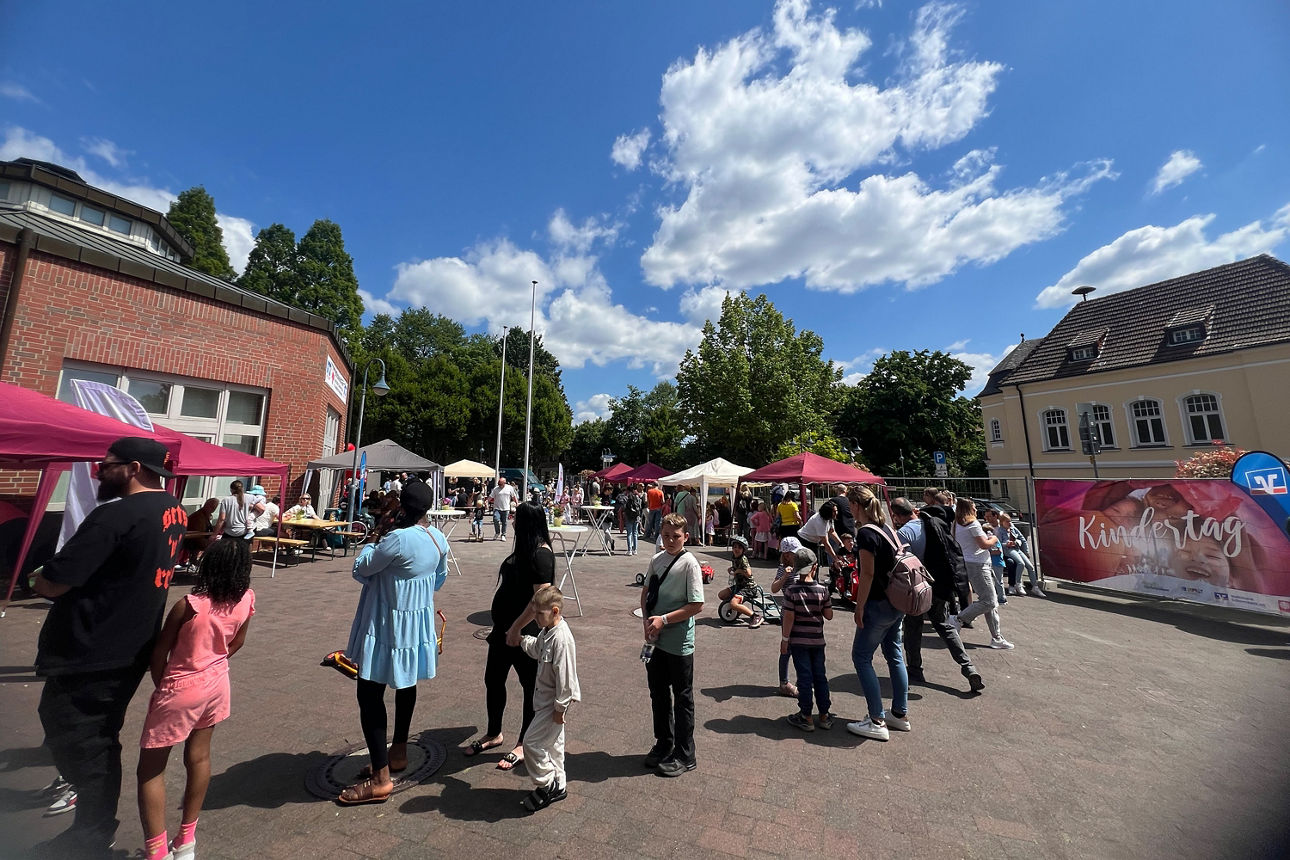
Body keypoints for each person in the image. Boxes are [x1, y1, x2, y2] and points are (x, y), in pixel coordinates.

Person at [33, 436, 188, 858]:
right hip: (132, 642)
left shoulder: (114, 516)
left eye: (107, 464)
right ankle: (93, 822)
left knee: (83, 737)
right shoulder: (175, 511)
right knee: (96, 734)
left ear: (134, 467)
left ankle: (93, 830)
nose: (98, 470)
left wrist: (35, 578)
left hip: (94, 647)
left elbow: (54, 581)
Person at [135, 538, 255, 860]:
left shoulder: (188, 605)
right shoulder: (246, 599)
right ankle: (186, 841)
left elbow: (159, 653)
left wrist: (163, 686)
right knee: (199, 758)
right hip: (217, 683)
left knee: (150, 769)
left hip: (180, 687)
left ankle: (157, 851)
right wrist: (214, 659)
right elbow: (237, 641)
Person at [338, 481, 448, 804]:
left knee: (369, 693)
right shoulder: (437, 538)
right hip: (416, 624)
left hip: (387, 624)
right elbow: (438, 579)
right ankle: (397, 751)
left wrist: (374, 538)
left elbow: (360, 569)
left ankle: (381, 778)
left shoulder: (396, 540)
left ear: (402, 506)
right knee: (406, 684)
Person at [467, 503, 555, 771]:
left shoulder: (541, 554)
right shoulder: (523, 549)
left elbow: (540, 599)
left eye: (518, 517)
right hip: (502, 631)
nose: (513, 520)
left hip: (523, 632)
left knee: (530, 686)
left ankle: (523, 743)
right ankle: (494, 733)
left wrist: (517, 628)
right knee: (493, 680)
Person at [890, 498, 984, 692]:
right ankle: (968, 667)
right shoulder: (935, 523)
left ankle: (915, 670)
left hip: (918, 588)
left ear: (897, 516)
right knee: (944, 627)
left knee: (913, 629)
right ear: (914, 510)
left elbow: (901, 563)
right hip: (941, 586)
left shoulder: (904, 533)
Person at [845, 486, 911, 742]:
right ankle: (899, 714)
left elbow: (867, 573)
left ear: (857, 505)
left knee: (861, 657)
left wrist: (859, 606)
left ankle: (876, 719)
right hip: (897, 601)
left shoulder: (865, 534)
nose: (849, 510)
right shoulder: (888, 529)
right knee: (894, 655)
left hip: (878, 604)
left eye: (850, 505)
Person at [640, 514, 704, 777]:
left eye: (676, 536)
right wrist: (647, 624)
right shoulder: (656, 559)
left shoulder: (690, 564)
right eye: (666, 535)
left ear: (685, 537)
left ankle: (685, 753)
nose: (670, 540)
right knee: (658, 693)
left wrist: (663, 620)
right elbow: (645, 594)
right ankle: (664, 742)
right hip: (656, 640)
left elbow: (697, 605)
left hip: (679, 641)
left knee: (682, 697)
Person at [518, 587, 580, 813]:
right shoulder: (547, 631)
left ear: (555, 611)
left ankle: (547, 782)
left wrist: (560, 709)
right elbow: (537, 649)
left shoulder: (562, 639)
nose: (535, 618)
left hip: (553, 703)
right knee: (554, 744)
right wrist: (523, 640)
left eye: (539, 614)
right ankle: (559, 785)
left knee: (531, 743)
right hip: (544, 700)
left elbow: (566, 679)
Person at [949, 498, 1014, 650]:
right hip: (979, 565)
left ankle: (996, 636)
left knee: (989, 602)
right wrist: (994, 538)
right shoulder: (973, 524)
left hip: (970, 563)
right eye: (974, 507)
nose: (976, 510)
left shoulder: (956, 524)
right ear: (968, 509)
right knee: (989, 601)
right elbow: (984, 545)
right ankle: (958, 618)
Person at [782, 546, 834, 731]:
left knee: (804, 678)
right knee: (820, 677)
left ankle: (806, 716)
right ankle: (824, 715)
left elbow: (789, 618)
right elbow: (828, 615)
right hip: (818, 642)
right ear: (815, 567)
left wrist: (784, 639)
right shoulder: (822, 590)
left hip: (798, 642)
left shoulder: (792, 591)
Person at [769, 536, 805, 696]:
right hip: (788, 612)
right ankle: (783, 682)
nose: (796, 555)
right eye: (793, 553)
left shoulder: (802, 565)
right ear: (786, 554)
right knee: (787, 647)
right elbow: (774, 589)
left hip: (802, 612)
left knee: (801, 647)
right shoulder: (783, 568)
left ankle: (801, 680)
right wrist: (784, 576)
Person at [717, 535, 762, 627]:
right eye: (734, 547)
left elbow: (749, 573)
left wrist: (738, 571)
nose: (736, 549)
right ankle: (737, 610)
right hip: (740, 585)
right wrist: (732, 569)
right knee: (722, 595)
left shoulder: (743, 559)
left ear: (743, 550)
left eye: (739, 548)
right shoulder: (734, 557)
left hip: (748, 587)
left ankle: (755, 616)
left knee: (733, 603)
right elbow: (735, 567)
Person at [998, 513, 1045, 596]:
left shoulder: (1013, 528)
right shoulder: (1000, 531)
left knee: (1030, 567)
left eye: (1010, 521)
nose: (1009, 523)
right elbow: (999, 543)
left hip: (1017, 548)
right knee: (1021, 563)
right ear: (1002, 522)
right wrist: (1007, 544)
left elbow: (1022, 539)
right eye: (1007, 521)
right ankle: (1018, 583)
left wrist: (1026, 551)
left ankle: (1035, 587)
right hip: (1008, 550)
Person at [797, 500, 841, 568]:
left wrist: (841, 544)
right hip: (804, 541)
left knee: (815, 564)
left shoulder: (828, 518)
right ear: (828, 512)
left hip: (813, 542)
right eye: (834, 511)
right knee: (809, 566)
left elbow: (831, 531)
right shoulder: (819, 521)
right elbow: (826, 543)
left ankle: (815, 578)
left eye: (836, 511)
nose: (836, 513)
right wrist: (835, 559)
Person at [182, 498, 219, 568]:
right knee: (217, 546)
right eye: (213, 507)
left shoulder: (205, 515)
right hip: (192, 541)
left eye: (215, 507)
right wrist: (209, 543)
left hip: (197, 539)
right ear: (207, 505)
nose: (214, 509)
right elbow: (198, 536)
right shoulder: (199, 517)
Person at [622, 484, 643, 555]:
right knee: (635, 533)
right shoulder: (638, 496)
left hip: (629, 516)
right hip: (636, 516)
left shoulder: (627, 497)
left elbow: (624, 506)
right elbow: (640, 506)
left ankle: (629, 550)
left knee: (629, 533)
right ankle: (635, 550)